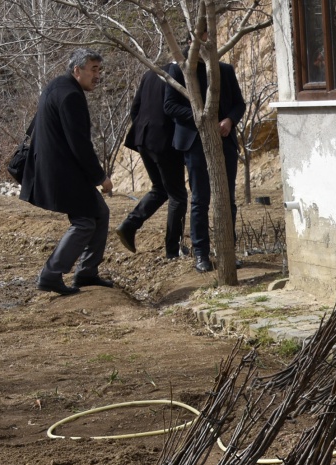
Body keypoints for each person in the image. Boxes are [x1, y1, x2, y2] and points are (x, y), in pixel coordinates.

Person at [19, 48, 115, 296]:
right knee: (84, 222)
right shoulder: (70, 95)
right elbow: (79, 144)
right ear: (77, 70)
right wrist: (100, 177)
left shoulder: (58, 86)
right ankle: (50, 275)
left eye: (99, 70)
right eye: (93, 69)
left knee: (100, 212)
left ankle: (86, 273)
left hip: (56, 167)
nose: (97, 75)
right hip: (61, 170)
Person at [163, 46, 245, 273]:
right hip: (195, 141)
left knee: (227, 198)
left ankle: (227, 251)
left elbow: (239, 104)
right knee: (200, 198)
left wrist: (229, 120)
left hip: (224, 140)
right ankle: (201, 253)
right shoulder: (180, 71)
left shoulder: (224, 70)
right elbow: (170, 106)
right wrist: (202, 118)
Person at [115, 66, 187, 259]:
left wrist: (144, 129)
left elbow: (135, 109)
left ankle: (129, 224)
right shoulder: (180, 73)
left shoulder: (151, 72)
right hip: (164, 140)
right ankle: (173, 250)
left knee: (160, 190)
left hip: (143, 138)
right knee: (178, 195)